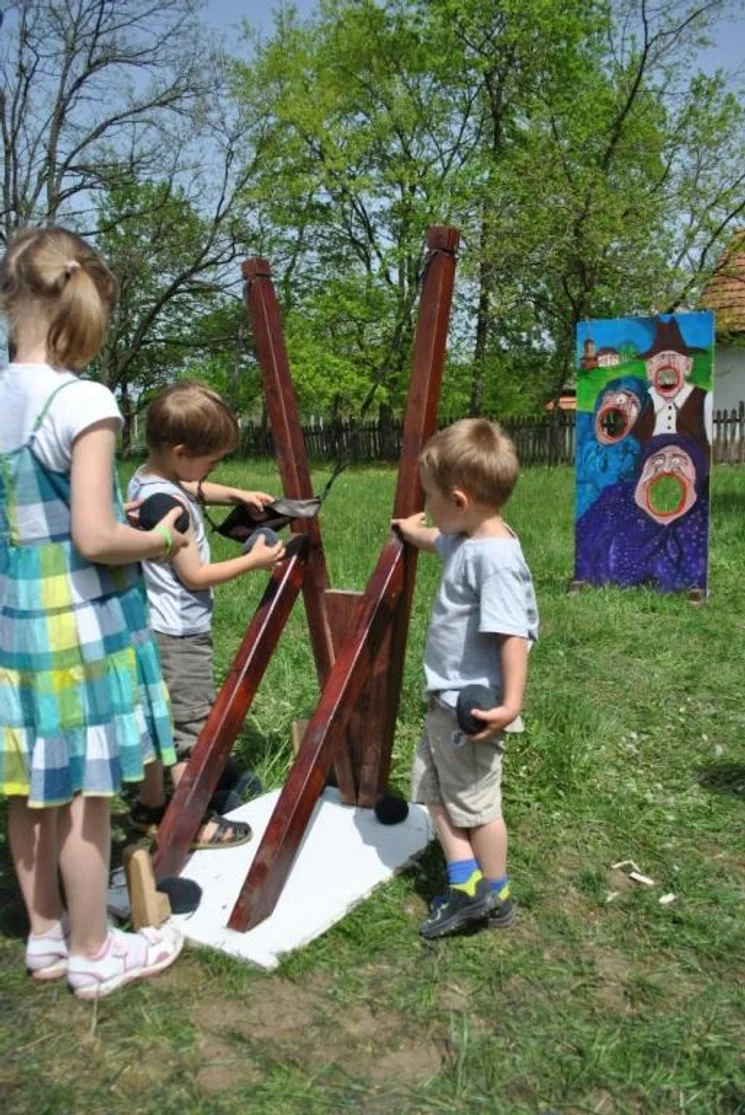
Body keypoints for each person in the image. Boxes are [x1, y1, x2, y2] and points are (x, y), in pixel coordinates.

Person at [0, 226, 188, 999]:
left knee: (27, 788)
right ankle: (92, 950)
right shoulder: (84, 400)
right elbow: (96, 535)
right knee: (87, 794)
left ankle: (44, 934)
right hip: (83, 626)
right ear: (83, 305)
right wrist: (158, 537)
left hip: (16, 626)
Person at [392, 418, 538, 939]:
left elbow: (512, 635)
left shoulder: (495, 560)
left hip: (473, 711)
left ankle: (493, 895)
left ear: (458, 499)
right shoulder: (470, 536)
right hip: (444, 701)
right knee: (433, 788)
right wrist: (412, 531)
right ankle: (466, 879)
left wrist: (511, 702)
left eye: (429, 497)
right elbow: (440, 542)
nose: (427, 506)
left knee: (477, 807)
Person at [127, 381, 286, 848]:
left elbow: (193, 485)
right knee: (189, 730)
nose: (212, 471)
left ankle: (152, 805)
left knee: (161, 719)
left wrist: (235, 493)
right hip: (180, 634)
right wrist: (253, 561)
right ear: (180, 452)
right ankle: (191, 821)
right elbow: (194, 576)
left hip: (152, 626)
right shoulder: (171, 506)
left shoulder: (148, 480)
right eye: (212, 460)